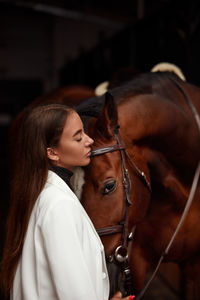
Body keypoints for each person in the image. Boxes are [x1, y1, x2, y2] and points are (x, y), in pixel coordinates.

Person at [0, 104, 133, 300]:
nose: (89, 141)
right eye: (78, 137)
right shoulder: (58, 204)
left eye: (84, 133)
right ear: (52, 153)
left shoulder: (43, 193)